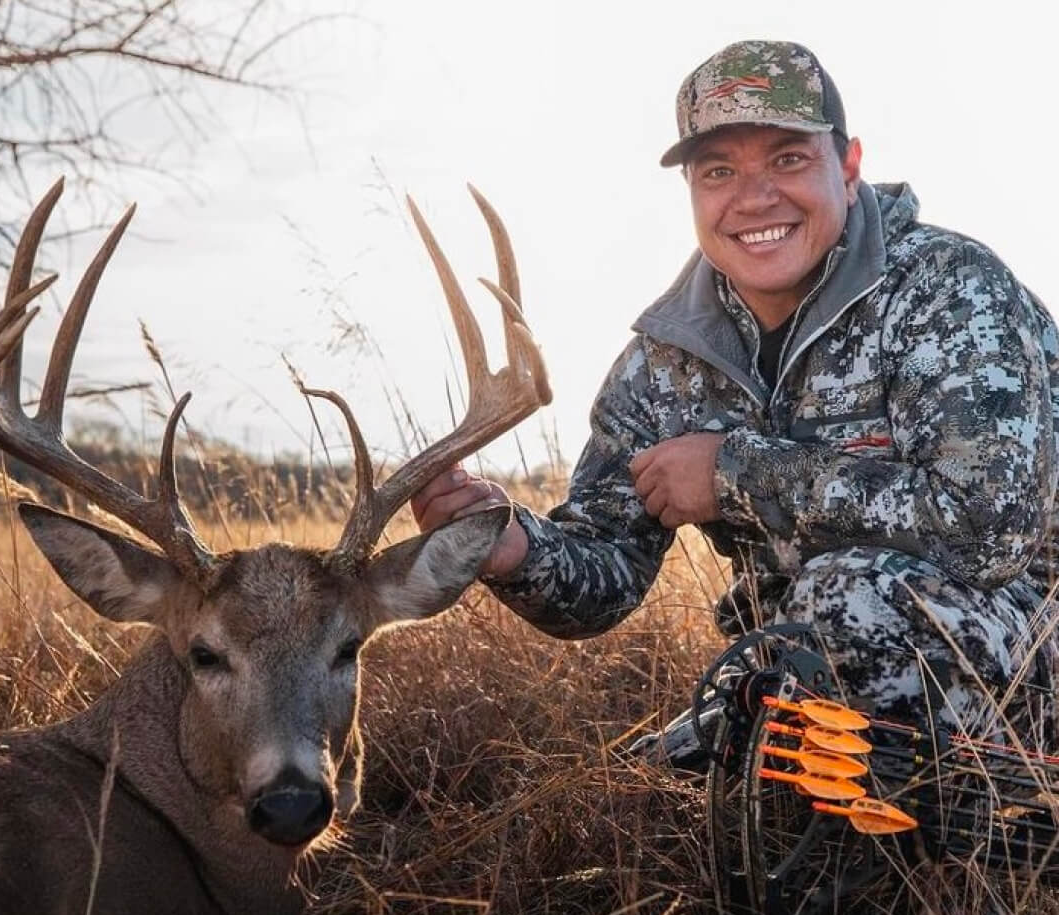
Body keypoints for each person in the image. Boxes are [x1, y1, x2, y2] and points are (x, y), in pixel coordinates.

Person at [411, 40, 1059, 746]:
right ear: (691, 192)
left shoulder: (949, 294)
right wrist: (509, 544)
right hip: (804, 665)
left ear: (848, 167)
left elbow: (989, 531)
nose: (754, 198)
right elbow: (604, 577)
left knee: (851, 598)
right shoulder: (664, 362)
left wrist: (732, 475)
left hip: (1025, 645)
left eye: (787, 159)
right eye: (719, 171)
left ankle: (934, 836)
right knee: (651, 779)